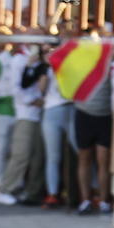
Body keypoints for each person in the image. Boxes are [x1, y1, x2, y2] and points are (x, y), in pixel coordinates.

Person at [0, 41, 48, 206]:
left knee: (38, 156)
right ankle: (6, 189)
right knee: (21, 154)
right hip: (26, 114)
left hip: (42, 115)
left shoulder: (44, 60)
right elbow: (16, 89)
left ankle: (32, 192)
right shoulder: (19, 60)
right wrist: (33, 100)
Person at [74, 55, 114, 215]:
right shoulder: (80, 68)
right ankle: (85, 200)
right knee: (84, 158)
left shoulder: (109, 67)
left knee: (103, 160)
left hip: (104, 116)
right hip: (84, 115)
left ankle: (104, 200)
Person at [0, 27, 24, 194]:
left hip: (20, 109)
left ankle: (15, 181)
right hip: (2, 109)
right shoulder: (0, 60)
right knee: (1, 148)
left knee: (17, 150)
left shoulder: (25, 58)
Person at [39, 58, 75, 210]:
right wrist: (46, 71)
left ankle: (92, 191)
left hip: (71, 108)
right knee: (53, 156)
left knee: (80, 150)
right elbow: (41, 89)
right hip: (51, 110)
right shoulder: (46, 67)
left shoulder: (75, 65)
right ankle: (53, 193)